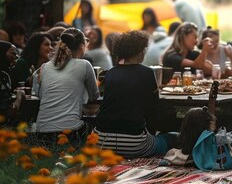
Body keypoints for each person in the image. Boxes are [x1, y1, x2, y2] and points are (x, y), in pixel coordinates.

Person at [94, 30, 168, 158]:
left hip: (101, 142)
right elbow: (153, 110)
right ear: (140, 51)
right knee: (172, 138)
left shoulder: (110, 73)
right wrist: (151, 135)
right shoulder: (147, 73)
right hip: (133, 143)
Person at [31, 28, 99, 146]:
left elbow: (41, 96)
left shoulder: (45, 66)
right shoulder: (84, 64)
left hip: (42, 132)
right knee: (94, 127)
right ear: (83, 45)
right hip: (71, 132)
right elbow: (94, 96)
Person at [0, 41, 19, 118]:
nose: (17, 56)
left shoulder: (5, 75)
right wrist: (20, 96)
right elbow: (7, 112)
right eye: (13, 53)